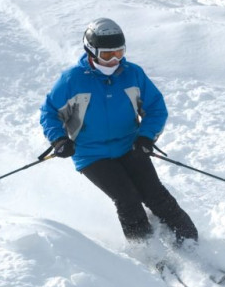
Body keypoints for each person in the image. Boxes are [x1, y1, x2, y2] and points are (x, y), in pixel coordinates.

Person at [40, 18, 198, 244]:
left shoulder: (132, 74)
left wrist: (146, 136)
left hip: (130, 146)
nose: (114, 59)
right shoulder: (72, 79)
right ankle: (147, 252)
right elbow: (49, 113)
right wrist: (59, 140)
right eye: (107, 55)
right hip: (91, 154)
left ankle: (191, 242)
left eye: (119, 53)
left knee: (156, 195)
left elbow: (155, 108)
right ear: (91, 51)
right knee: (127, 199)